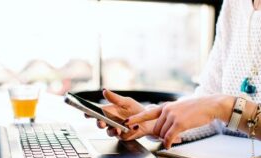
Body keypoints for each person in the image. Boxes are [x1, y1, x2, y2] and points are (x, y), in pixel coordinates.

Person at [89, 0, 261, 149]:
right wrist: (155, 120)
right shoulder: (234, 4)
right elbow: (209, 101)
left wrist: (224, 106)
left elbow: (216, 106)